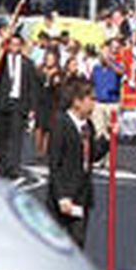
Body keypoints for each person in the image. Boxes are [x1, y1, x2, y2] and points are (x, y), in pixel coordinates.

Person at [46, 76, 100, 246]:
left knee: (77, 242)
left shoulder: (88, 125)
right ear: (77, 101)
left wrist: (107, 139)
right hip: (64, 195)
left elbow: (92, 155)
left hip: (82, 195)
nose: (94, 103)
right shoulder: (61, 124)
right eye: (91, 99)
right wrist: (62, 196)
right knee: (56, 244)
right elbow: (55, 163)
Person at [0, 30, 36, 180]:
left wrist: (32, 107)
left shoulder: (27, 63)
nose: (15, 47)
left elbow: (32, 86)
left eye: (17, 44)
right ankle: (2, 164)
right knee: (2, 135)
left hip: (19, 103)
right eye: (12, 44)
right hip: (2, 102)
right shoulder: (0, 61)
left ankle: (13, 167)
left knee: (16, 136)